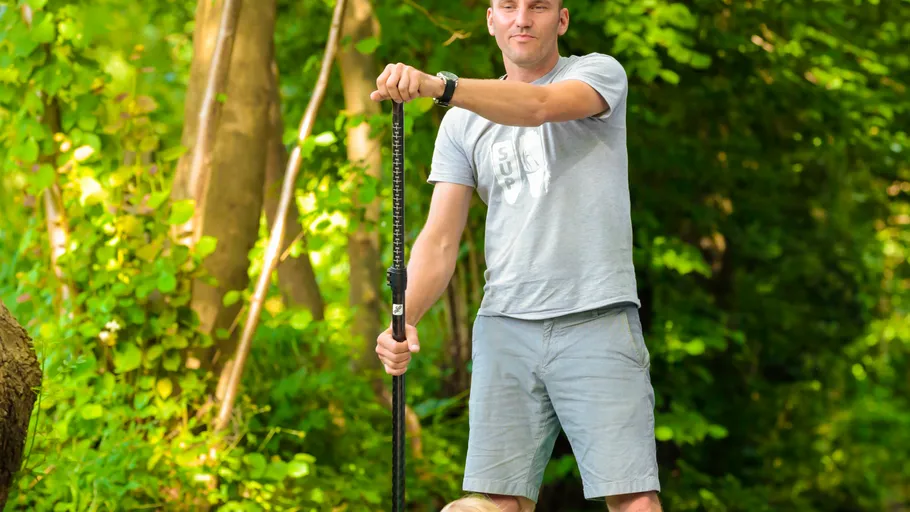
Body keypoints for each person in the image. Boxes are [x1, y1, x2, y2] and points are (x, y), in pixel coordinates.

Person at [372, 0, 661, 510]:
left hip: (596, 317)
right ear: (491, 20)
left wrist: (440, 86)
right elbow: (439, 239)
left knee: (632, 499)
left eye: (538, 6)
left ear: (562, 20)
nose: (522, 18)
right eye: (508, 6)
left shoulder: (598, 74)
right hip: (505, 326)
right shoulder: (461, 125)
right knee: (493, 503)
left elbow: (538, 107)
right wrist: (406, 319)